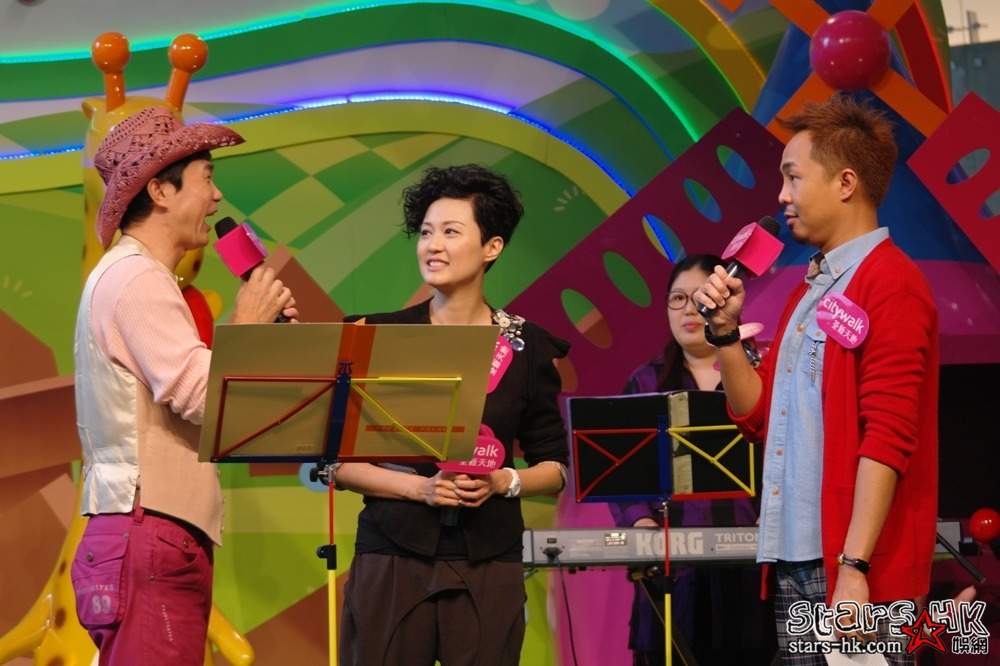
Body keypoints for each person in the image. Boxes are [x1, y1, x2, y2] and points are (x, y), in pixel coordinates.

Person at [695, 94, 938, 664]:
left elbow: (888, 436)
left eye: (794, 177)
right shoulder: (810, 291)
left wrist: (855, 567)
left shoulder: (891, 283)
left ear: (846, 183)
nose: (782, 195)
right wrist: (725, 336)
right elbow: (758, 417)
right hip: (799, 557)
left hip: (857, 572)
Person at [71, 106, 297, 665]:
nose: (217, 197)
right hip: (148, 527)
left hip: (150, 530)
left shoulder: (135, 276)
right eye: (207, 178)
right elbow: (203, 397)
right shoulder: (137, 279)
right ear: (160, 190)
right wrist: (247, 327)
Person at [334, 164, 569, 666]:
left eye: (450, 232)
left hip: (489, 559)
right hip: (391, 553)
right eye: (425, 233)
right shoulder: (375, 335)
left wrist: (502, 481)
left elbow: (556, 469)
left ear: (492, 247)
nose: (432, 246)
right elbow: (338, 463)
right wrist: (420, 489)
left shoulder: (526, 346)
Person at [609, 254, 774, 666]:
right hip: (672, 573)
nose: (687, 310)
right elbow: (621, 476)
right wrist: (641, 523)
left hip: (752, 569)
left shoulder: (765, 375)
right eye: (676, 299)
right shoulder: (645, 383)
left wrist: (776, 511)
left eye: (698, 298)